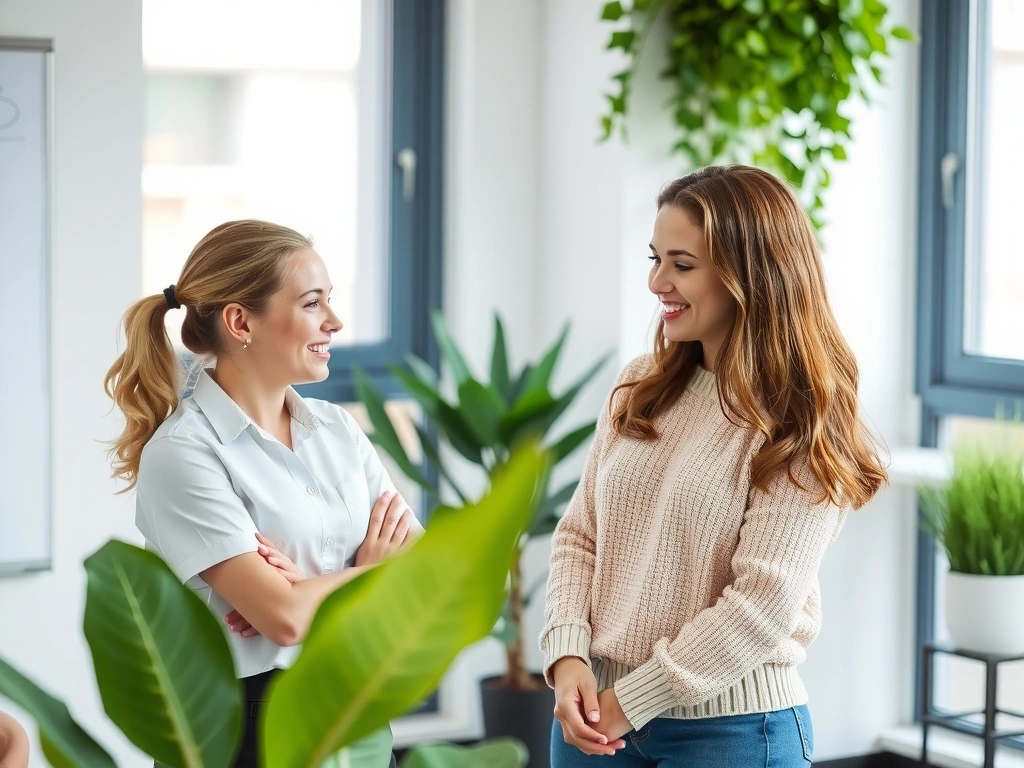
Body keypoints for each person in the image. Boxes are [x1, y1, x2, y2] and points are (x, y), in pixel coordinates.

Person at [541, 165, 887, 767]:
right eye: (655, 258)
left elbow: (760, 604)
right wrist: (569, 655)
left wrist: (634, 699)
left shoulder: (800, 419)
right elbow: (579, 535)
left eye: (681, 264)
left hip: (730, 732)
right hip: (596, 716)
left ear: (750, 275)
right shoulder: (637, 387)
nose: (656, 282)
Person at [105, 220, 421, 768]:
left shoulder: (336, 429)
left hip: (352, 702)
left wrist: (311, 590)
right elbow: (284, 620)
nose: (334, 321)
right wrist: (368, 572)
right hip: (243, 729)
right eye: (311, 303)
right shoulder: (183, 453)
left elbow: (425, 568)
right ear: (239, 320)